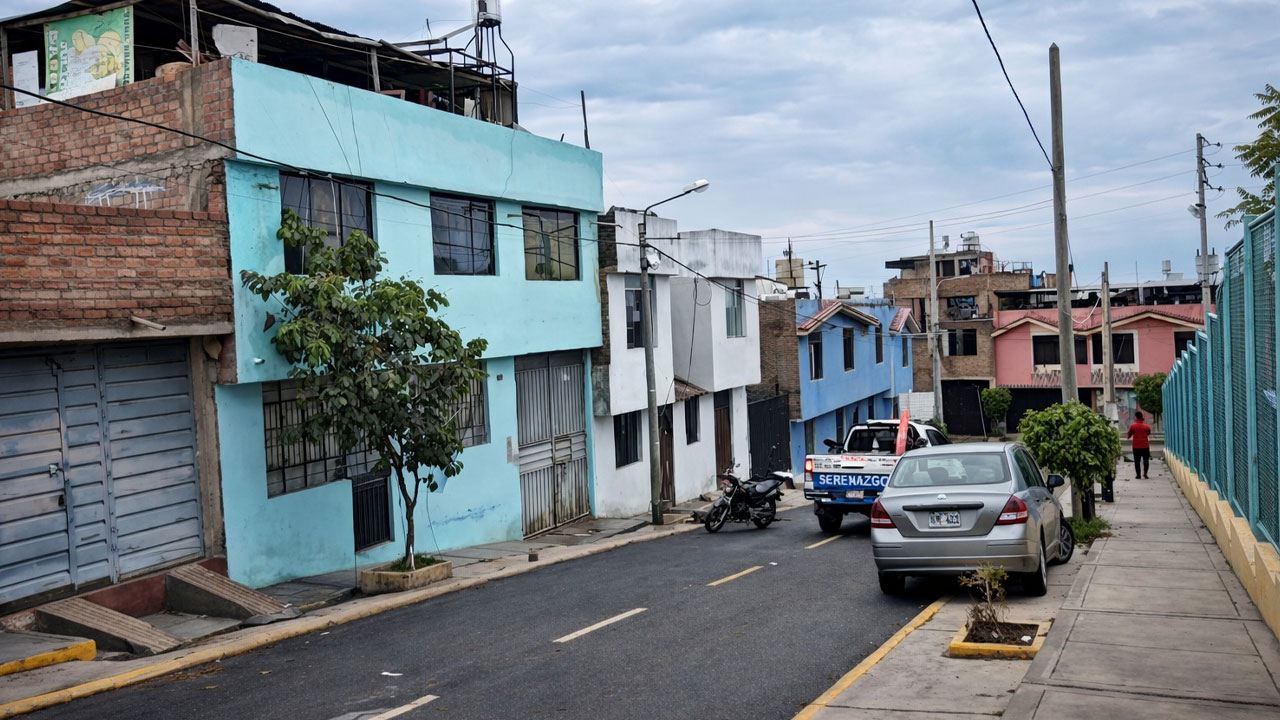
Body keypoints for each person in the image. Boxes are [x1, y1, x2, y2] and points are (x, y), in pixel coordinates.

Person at [1128, 411, 1152, 479]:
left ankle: (1138, 475)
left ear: (1136, 417)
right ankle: (1145, 473)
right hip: (1145, 446)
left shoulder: (1133, 426)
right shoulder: (1147, 426)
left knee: (1137, 461)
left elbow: (1129, 434)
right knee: (1146, 461)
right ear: (1142, 417)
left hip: (1136, 446)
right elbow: (1148, 433)